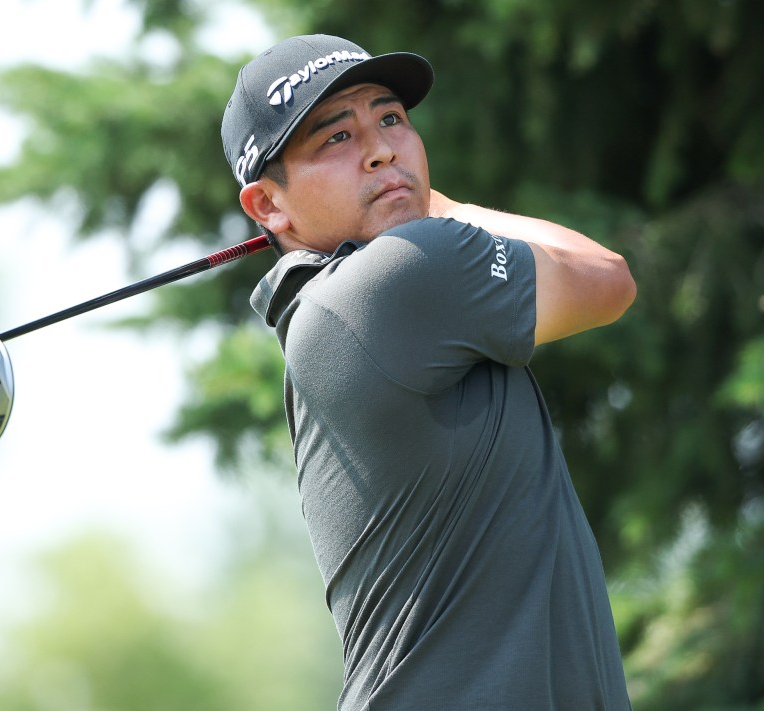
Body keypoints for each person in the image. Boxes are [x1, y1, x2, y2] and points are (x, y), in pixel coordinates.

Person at [221, 34, 636, 710]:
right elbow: (608, 279)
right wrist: (437, 204)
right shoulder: (403, 276)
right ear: (268, 206)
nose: (381, 148)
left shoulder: (332, 305)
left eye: (390, 119)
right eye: (335, 138)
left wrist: (401, 198)